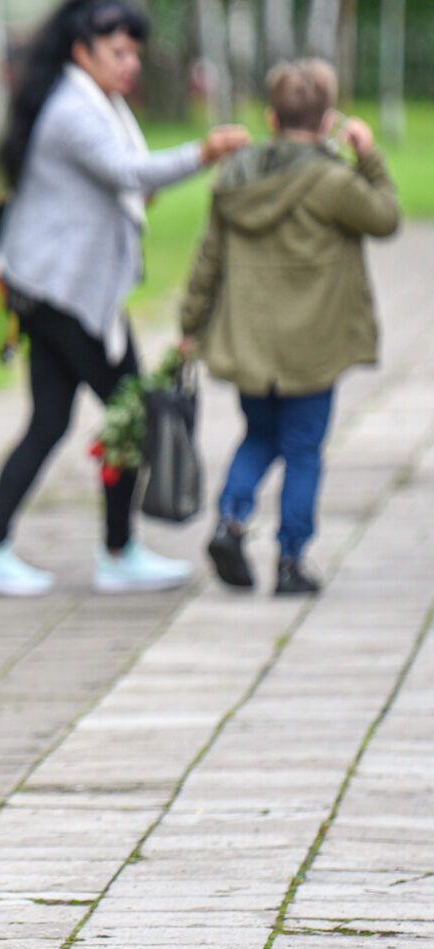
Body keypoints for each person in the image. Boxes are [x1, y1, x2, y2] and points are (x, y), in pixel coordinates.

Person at [0, 0, 251, 597]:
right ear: (82, 51)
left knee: (49, 422)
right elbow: (128, 172)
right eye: (118, 51)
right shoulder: (73, 110)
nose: (130, 63)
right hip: (62, 292)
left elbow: (111, 184)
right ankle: (115, 554)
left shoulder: (91, 102)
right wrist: (206, 152)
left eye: (135, 51)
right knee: (131, 414)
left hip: (47, 287)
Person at [181, 60, 400, 595]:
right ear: (328, 121)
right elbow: (386, 217)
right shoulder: (334, 181)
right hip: (313, 345)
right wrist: (368, 156)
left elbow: (209, 257)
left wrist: (191, 323)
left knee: (257, 435)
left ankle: (231, 523)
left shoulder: (235, 177)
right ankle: (291, 561)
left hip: (250, 342)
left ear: (270, 118)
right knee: (302, 450)